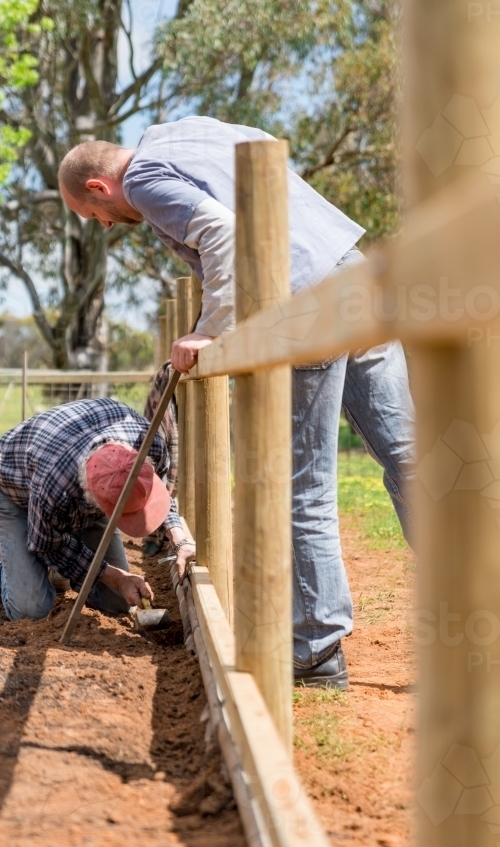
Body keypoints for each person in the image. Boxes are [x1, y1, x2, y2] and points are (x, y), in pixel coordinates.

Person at [58, 116, 415, 690]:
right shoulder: (183, 131)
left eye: (94, 217)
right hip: (351, 272)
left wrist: (213, 329)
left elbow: (222, 231)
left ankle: (317, 648)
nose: (105, 224)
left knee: (304, 482)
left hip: (303, 298)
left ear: (98, 188)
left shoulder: (145, 179)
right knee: (410, 456)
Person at [0, 397, 194, 621]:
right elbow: (48, 545)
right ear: (95, 499)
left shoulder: (149, 443)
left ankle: (45, 565)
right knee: (31, 611)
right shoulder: (54, 484)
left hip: (65, 490)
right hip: (15, 488)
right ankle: (4, 556)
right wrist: (118, 578)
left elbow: (157, 496)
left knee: (117, 604)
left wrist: (179, 539)